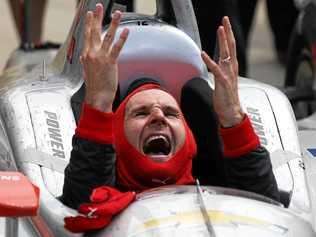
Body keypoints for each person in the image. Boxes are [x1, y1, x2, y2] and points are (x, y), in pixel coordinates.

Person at [60, 3, 279, 233]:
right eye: (141, 113)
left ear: (191, 142)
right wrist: (98, 103)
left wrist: (233, 116)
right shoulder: (94, 208)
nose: (158, 116)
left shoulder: (229, 193)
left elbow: (270, 214)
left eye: (171, 113)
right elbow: (77, 208)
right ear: (117, 141)